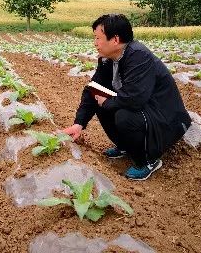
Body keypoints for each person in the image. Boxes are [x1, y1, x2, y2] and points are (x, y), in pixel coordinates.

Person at [62, 14, 191, 181]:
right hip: (145, 109)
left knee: (124, 115)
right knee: (100, 100)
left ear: (115, 40)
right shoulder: (108, 59)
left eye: (98, 38)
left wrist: (107, 102)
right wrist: (79, 124)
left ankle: (148, 160)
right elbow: (93, 89)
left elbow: (134, 99)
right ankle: (125, 146)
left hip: (165, 118)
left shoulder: (138, 56)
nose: (95, 43)